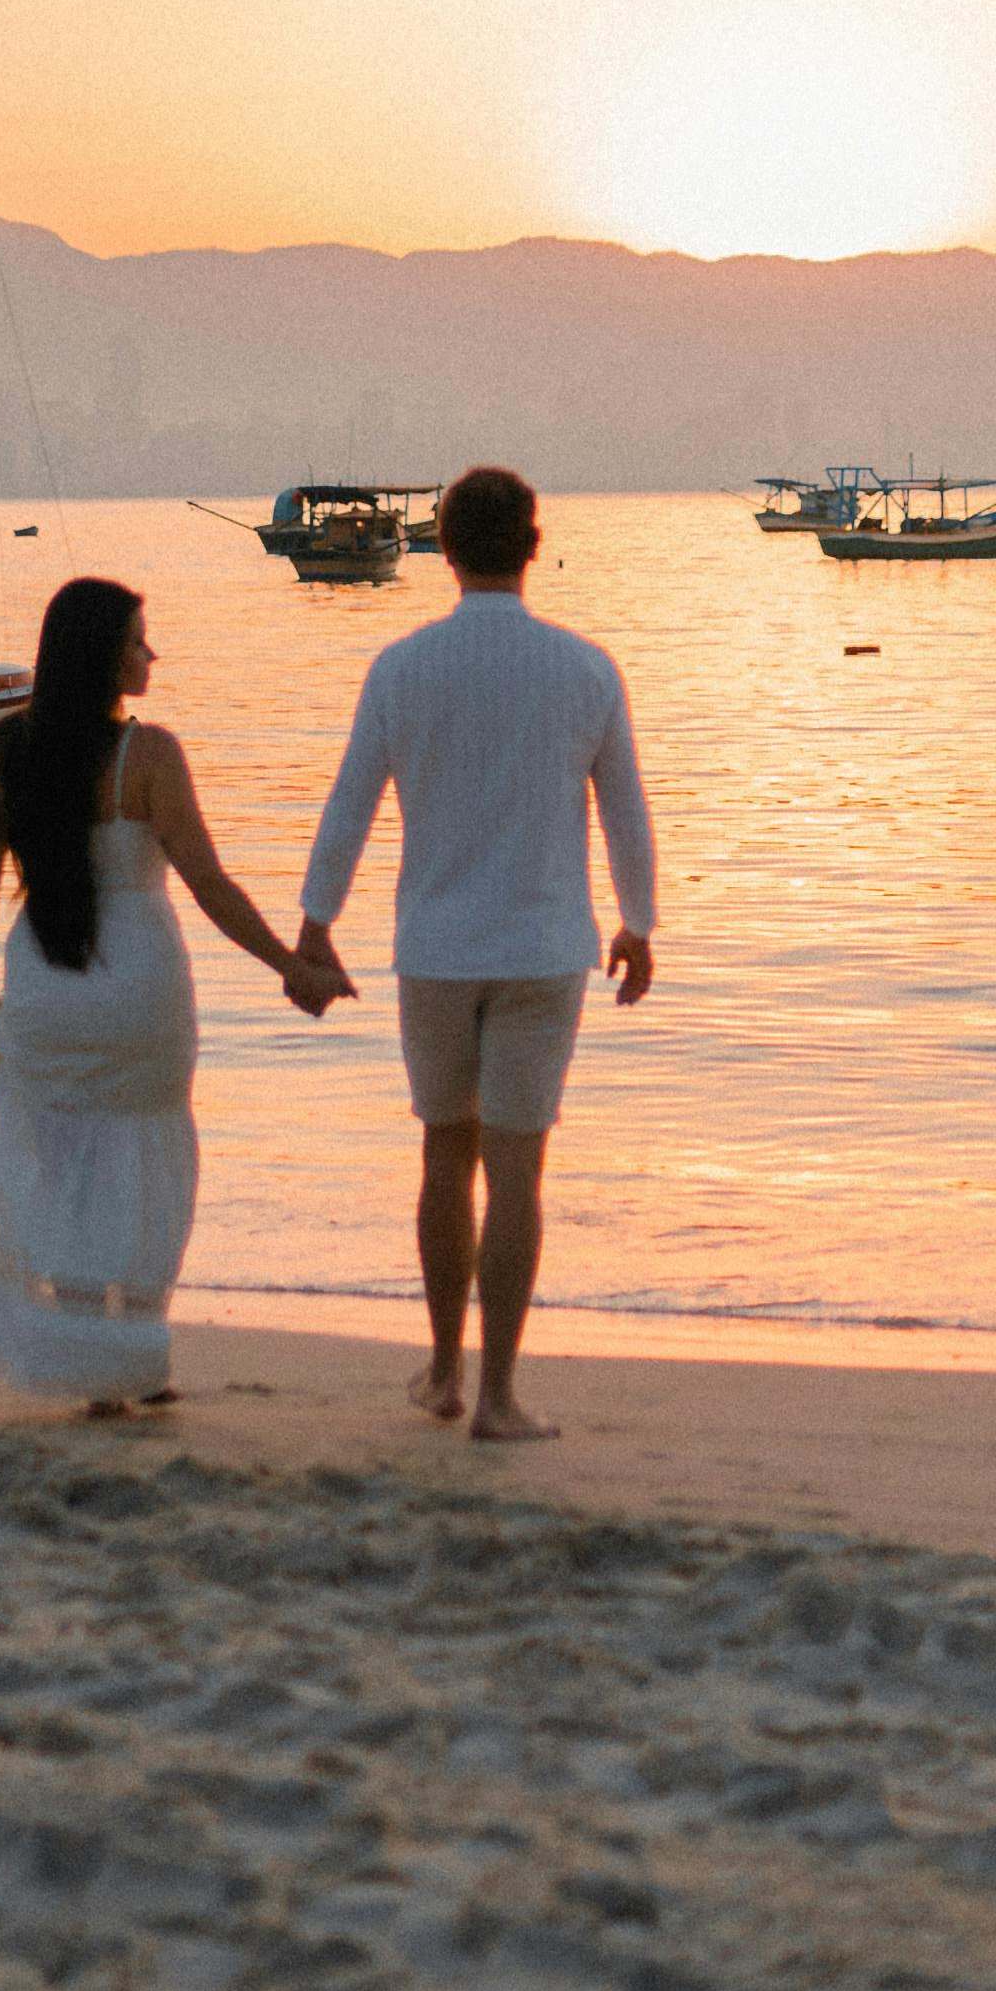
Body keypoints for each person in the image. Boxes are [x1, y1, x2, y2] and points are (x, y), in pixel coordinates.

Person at [292, 466, 656, 1444]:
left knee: (444, 1153)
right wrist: (638, 921)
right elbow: (625, 807)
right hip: (543, 948)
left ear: (440, 547)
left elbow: (348, 803)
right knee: (517, 1168)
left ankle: (446, 1370)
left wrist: (315, 921)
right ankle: (497, 1395)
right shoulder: (584, 668)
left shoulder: (402, 666)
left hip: (438, 948)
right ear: (531, 544)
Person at [0, 577, 310, 1413]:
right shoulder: (149, 756)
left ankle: (81, 1351)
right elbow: (209, 882)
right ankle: (136, 1352)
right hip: (141, 990)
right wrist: (289, 963)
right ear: (107, 656)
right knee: (148, 1163)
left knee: (68, 1168)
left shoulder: (3, 749)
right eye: (141, 640)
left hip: (45, 979)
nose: (152, 654)